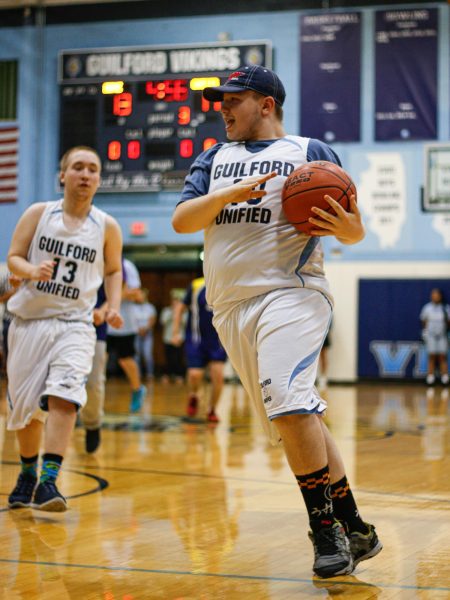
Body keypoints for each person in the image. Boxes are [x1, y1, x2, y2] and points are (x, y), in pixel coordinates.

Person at [172, 65, 382, 578]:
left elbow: (352, 230)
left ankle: (325, 530)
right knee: (298, 414)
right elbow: (181, 221)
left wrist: (351, 228)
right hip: (230, 309)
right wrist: (226, 196)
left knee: (290, 404)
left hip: (292, 292)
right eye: (220, 100)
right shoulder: (213, 158)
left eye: (233, 100)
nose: (222, 108)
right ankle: (356, 525)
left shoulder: (311, 152)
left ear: (266, 104)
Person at [6, 145, 123, 512]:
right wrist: (29, 271)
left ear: (99, 179)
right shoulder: (39, 213)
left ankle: (49, 481)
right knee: (26, 412)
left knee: (67, 395)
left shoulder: (106, 225)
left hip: (76, 323)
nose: (85, 174)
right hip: (30, 322)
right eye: (78, 167)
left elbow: (114, 269)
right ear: (63, 175)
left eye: (92, 169)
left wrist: (113, 305)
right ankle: (27, 473)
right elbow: (13, 256)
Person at [172, 276, 227, 422]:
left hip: (218, 341)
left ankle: (212, 409)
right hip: (196, 339)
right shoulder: (196, 285)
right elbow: (180, 308)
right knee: (195, 374)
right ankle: (194, 394)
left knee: (218, 375)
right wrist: (175, 332)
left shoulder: (227, 283)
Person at [106, 258, 147, 412]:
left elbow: (137, 293)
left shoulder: (127, 266)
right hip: (103, 323)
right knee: (99, 358)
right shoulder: (98, 259)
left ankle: (137, 389)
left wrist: (115, 295)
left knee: (126, 359)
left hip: (125, 323)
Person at [80, 283, 108, 453]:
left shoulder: (110, 259)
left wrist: (103, 311)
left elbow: (117, 289)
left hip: (95, 328)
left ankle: (92, 424)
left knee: (93, 383)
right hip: (60, 321)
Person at [420, 288, 450, 386]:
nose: (435, 297)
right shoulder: (427, 308)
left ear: (440, 296)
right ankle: (430, 377)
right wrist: (425, 332)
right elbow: (424, 320)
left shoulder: (445, 308)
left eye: (437, 295)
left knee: (442, 356)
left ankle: (445, 377)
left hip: (442, 335)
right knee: (431, 355)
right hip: (431, 335)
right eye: (433, 295)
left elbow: (448, 322)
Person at [160, 288, 187, 383]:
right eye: (174, 300)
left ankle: (179, 375)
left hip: (181, 338)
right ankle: (167, 375)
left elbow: (185, 323)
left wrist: (179, 313)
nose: (176, 302)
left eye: (178, 300)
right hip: (168, 338)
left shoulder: (185, 312)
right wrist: (174, 313)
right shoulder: (167, 311)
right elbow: (163, 321)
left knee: (179, 358)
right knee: (168, 358)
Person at [134, 288, 157, 382]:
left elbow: (152, 319)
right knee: (136, 355)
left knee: (147, 354)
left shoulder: (150, 307)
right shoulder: (133, 307)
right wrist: (137, 329)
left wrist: (146, 329)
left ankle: (150, 374)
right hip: (136, 332)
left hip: (147, 334)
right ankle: (137, 375)